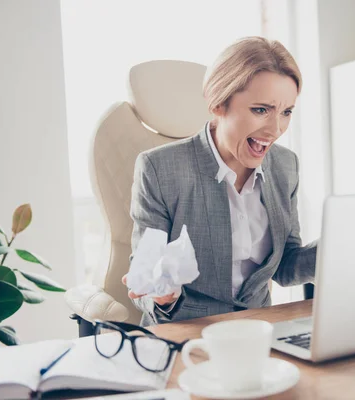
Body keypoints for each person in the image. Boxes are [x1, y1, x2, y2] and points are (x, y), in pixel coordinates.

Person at [123, 36, 317, 326]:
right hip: (186, 333)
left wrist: (336, 251)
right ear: (219, 103)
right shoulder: (159, 168)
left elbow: (285, 265)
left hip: (259, 330)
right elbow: (144, 277)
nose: (276, 129)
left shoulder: (285, 166)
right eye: (261, 110)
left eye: (286, 112)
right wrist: (163, 294)